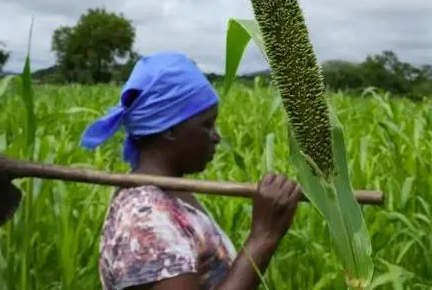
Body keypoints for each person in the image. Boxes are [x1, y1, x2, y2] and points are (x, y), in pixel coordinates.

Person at [80, 51, 302, 290]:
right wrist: (263, 236)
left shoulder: (170, 192)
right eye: (206, 125)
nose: (216, 137)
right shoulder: (147, 218)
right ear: (170, 130)